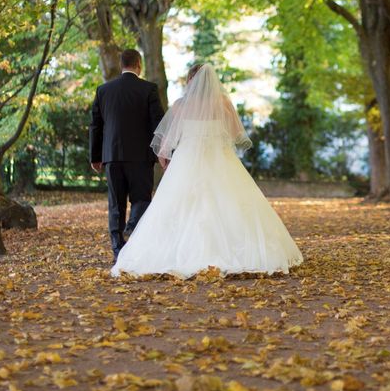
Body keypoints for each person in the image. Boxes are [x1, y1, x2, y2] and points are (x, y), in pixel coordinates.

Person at [111, 63, 303, 278]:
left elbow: (166, 142)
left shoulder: (180, 106)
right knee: (229, 203)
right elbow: (235, 134)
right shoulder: (222, 103)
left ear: (189, 81)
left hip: (187, 160)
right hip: (218, 159)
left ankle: (173, 256)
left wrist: (166, 162)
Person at [89, 49, 165, 262]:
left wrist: (95, 156)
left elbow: (96, 125)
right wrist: (162, 152)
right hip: (141, 157)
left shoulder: (103, 90)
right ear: (138, 64)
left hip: (112, 156)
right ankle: (132, 229)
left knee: (116, 203)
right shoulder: (149, 89)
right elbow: (157, 124)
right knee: (141, 199)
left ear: (122, 64)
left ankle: (118, 252)